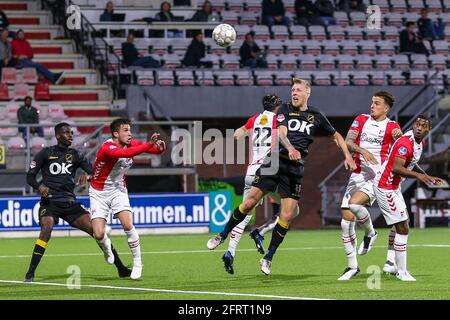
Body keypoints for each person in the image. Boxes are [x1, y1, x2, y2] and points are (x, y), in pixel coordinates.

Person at [207, 78, 356, 275]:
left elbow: (336, 135)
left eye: (298, 90)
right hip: (274, 163)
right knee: (249, 203)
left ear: (307, 93)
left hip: (295, 170)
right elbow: (282, 133)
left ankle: (268, 257)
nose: (294, 93)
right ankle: (222, 236)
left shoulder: (316, 115)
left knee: (287, 215)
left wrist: (347, 155)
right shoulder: (284, 109)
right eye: (292, 89)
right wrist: (290, 147)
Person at [24, 122, 132, 282]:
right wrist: (40, 187)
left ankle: (121, 268)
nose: (70, 135)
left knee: (97, 232)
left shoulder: (76, 155)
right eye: (66, 133)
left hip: (70, 203)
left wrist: (88, 177)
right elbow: (30, 176)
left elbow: (96, 172)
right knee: (46, 229)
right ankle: (30, 272)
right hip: (50, 203)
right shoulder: (45, 153)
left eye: (71, 132)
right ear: (58, 135)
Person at [221, 94, 299, 274]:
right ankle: (261, 232)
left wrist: (251, 135)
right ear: (277, 106)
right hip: (269, 172)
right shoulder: (279, 118)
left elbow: (236, 135)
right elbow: (283, 136)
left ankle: (231, 251)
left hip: (251, 172)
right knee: (292, 210)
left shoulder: (254, 119)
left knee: (245, 212)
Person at [89, 118, 166, 280]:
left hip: (118, 190)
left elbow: (151, 150)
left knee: (127, 224)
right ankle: (106, 245)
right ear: (116, 134)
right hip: (98, 192)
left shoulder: (130, 142)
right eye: (126, 130)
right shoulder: (107, 147)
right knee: (98, 234)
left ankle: (138, 263)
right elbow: (126, 153)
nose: (129, 133)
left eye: (130, 130)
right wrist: (149, 145)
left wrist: (159, 149)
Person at [338, 91, 402, 281]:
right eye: (372, 102)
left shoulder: (392, 126)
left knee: (393, 218)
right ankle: (353, 266)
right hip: (357, 175)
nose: (372, 106)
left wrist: (397, 137)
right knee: (345, 221)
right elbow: (349, 141)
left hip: (378, 178)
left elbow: (401, 148)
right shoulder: (361, 119)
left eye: (376, 103)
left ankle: (390, 260)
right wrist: (361, 150)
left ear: (386, 108)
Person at [373, 115, 444, 281]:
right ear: (413, 125)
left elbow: (410, 162)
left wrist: (427, 176)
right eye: (417, 124)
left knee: (402, 224)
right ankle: (402, 271)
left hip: (394, 187)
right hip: (385, 186)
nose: (419, 127)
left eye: (423, 126)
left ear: (428, 130)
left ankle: (391, 263)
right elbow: (397, 168)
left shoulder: (419, 143)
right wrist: (420, 176)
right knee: (403, 227)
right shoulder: (405, 143)